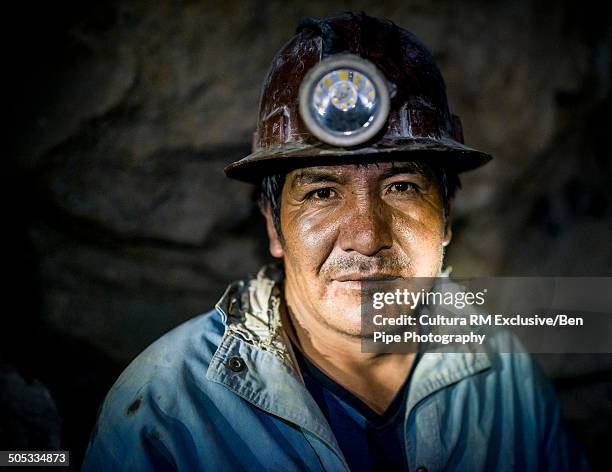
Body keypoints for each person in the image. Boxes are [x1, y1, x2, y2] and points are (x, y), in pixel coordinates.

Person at [83, 12, 589, 471]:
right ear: (272, 226)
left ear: (448, 218)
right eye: (323, 192)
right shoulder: (164, 410)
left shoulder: (506, 379)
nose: (367, 238)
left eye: (402, 187)